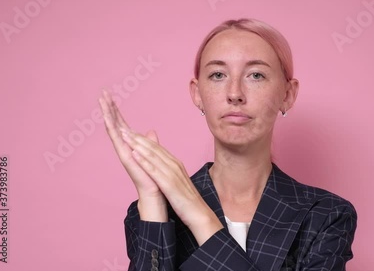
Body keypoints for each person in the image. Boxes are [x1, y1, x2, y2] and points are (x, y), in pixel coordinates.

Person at [99, 18, 357, 271]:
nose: (235, 93)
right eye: (218, 74)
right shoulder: (149, 212)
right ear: (197, 93)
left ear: (287, 95)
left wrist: (197, 212)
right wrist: (154, 200)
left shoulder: (326, 215)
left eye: (256, 75)